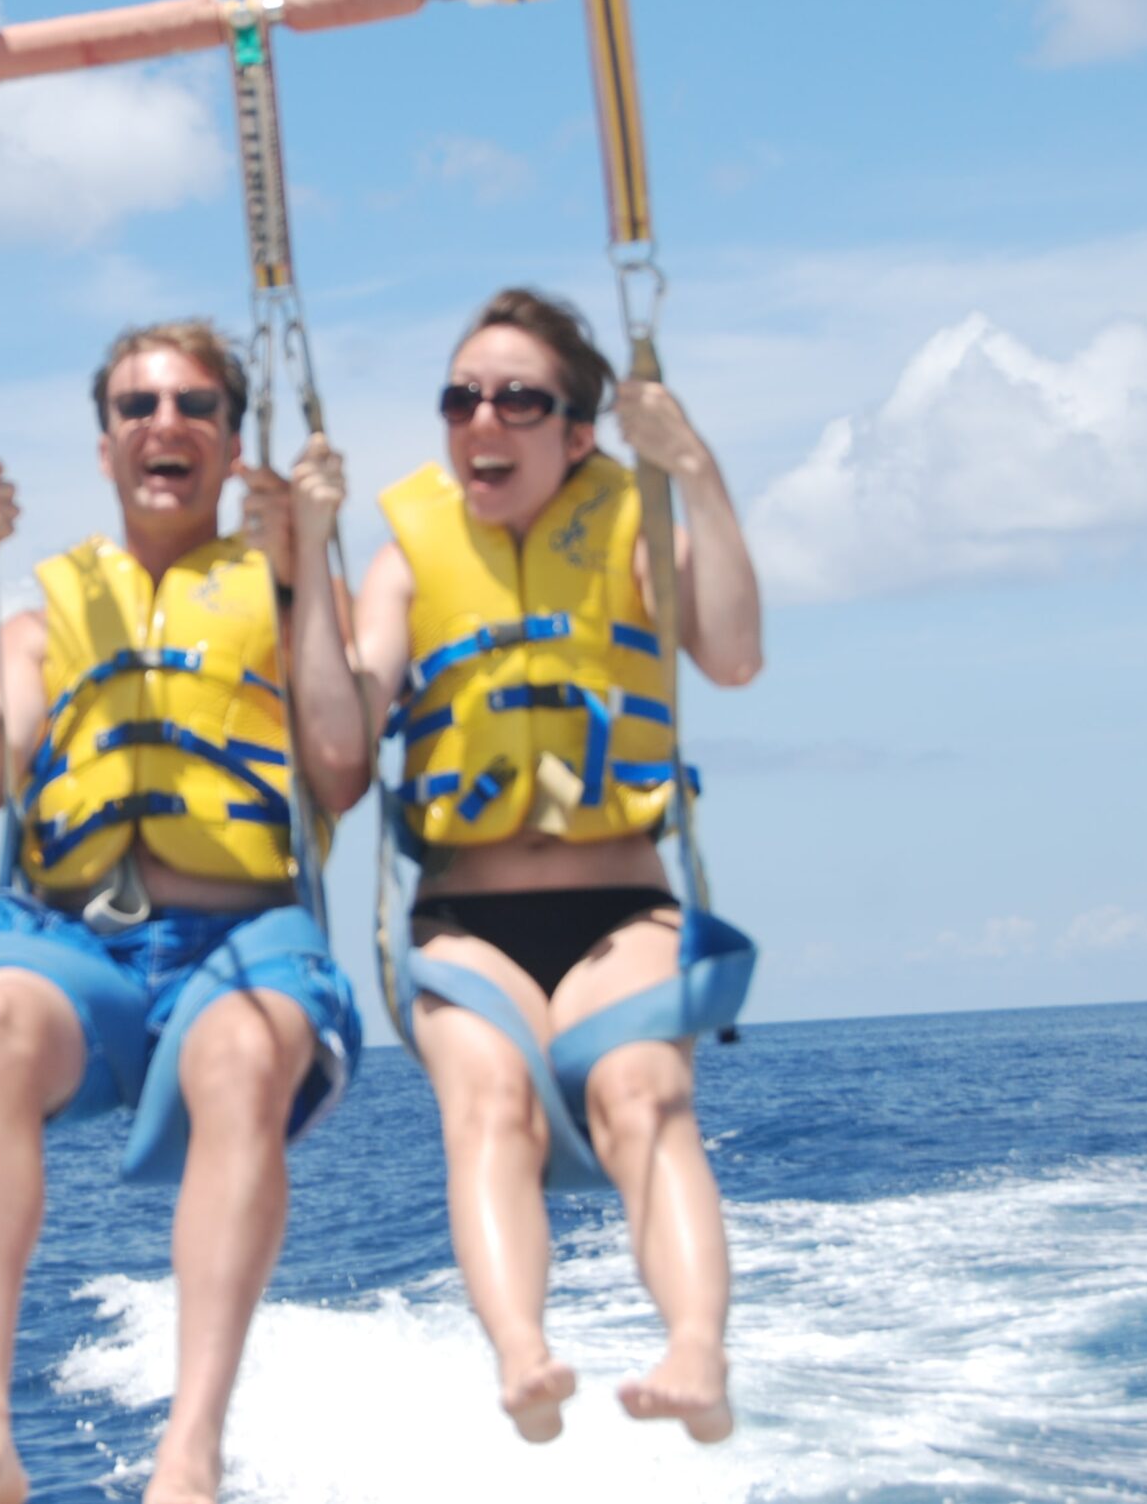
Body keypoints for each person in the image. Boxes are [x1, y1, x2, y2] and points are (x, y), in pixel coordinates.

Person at [0, 319, 368, 1504]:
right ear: (103, 446)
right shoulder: (42, 620)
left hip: (241, 943)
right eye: (138, 406)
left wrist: (306, 566)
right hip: (69, 952)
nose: (167, 424)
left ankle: (190, 1453)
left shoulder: (287, 587)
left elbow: (341, 765)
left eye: (196, 405)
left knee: (250, 1049)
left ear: (231, 443)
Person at [350, 287, 764, 1446]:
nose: (483, 416)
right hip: (461, 923)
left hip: (619, 904)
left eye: (517, 398)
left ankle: (694, 1350)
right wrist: (297, 568)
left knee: (645, 1093)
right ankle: (522, 1351)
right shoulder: (402, 565)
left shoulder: (638, 529)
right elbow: (340, 733)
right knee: (488, 1107)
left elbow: (730, 654)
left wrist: (695, 474)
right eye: (460, 395)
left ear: (577, 432)